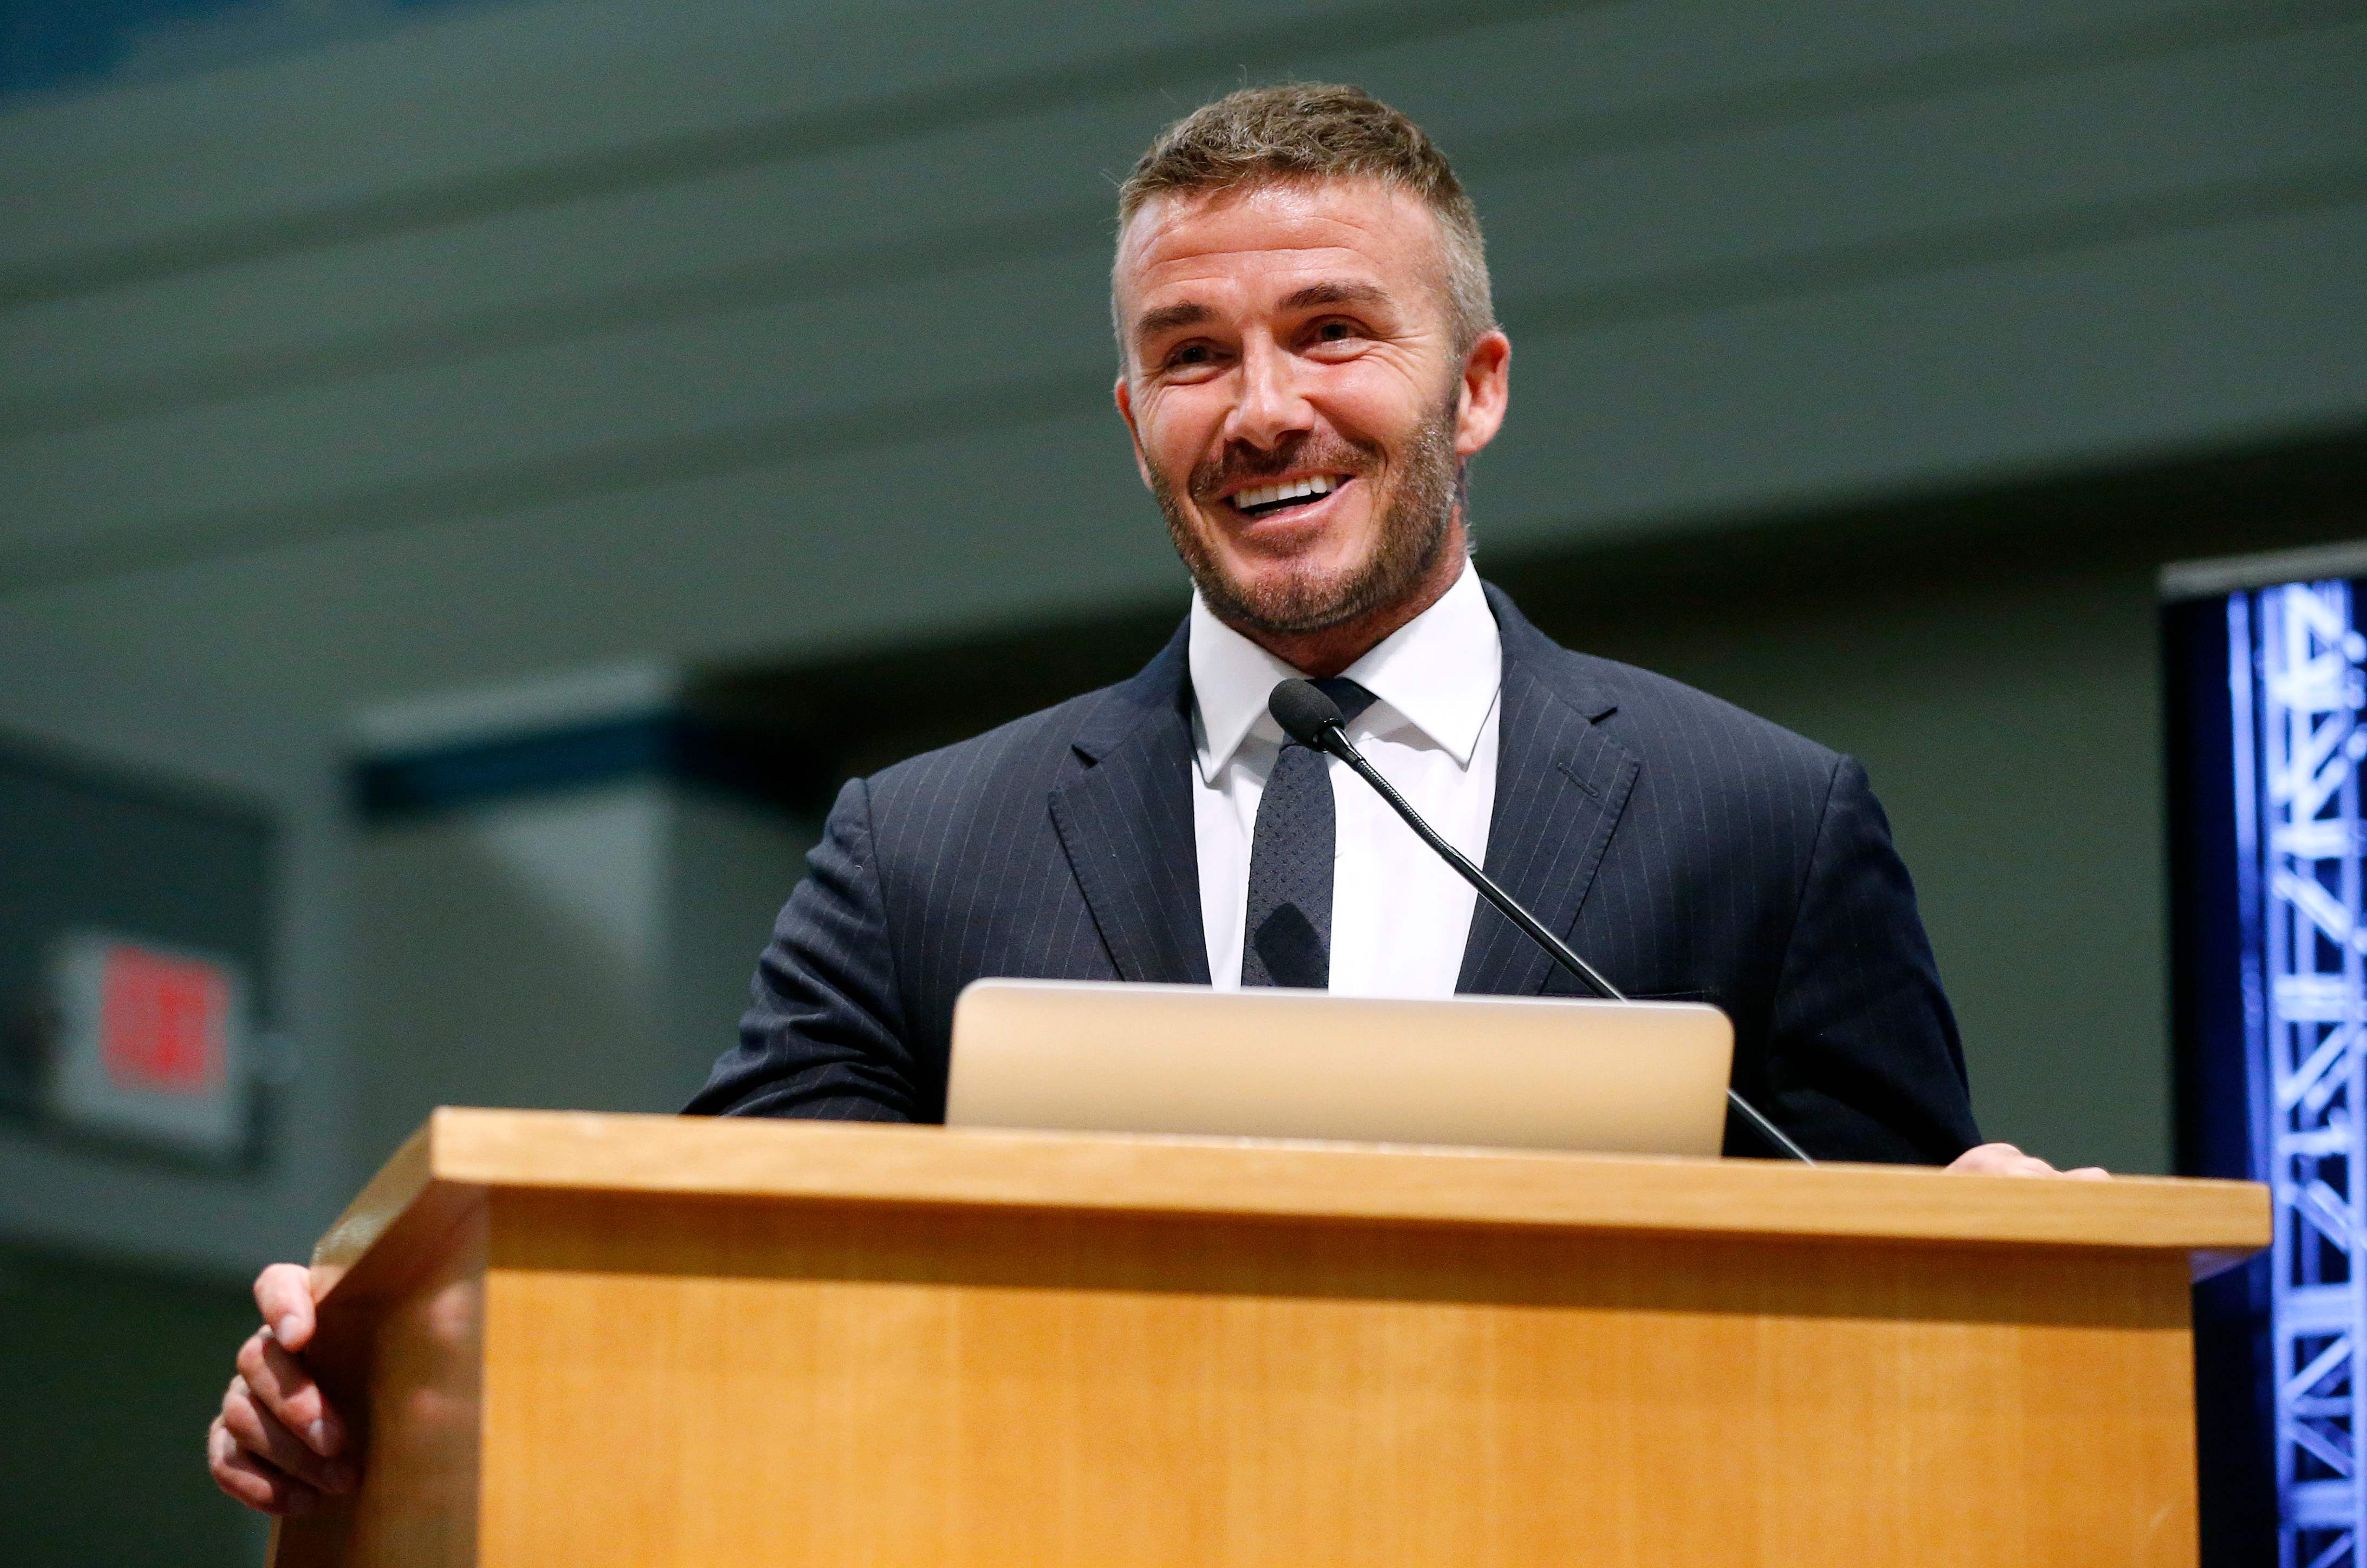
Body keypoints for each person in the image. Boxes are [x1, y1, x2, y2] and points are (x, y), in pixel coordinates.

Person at [208, 83, 2104, 1516]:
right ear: (1135, 424)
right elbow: (721, 1299)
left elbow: (1900, 1353)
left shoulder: (1758, 820)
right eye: (1193, 356)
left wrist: (2001, 1268)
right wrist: (390, 1380)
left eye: (1333, 333)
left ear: (1478, 389)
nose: (1261, 407)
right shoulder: (915, 846)